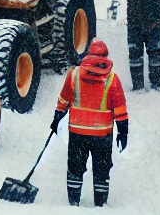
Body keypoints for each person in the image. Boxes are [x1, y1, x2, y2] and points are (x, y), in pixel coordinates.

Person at [51, 39, 128, 208]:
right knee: (101, 170)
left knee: (75, 168)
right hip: (102, 136)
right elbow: (120, 108)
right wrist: (123, 132)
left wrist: (57, 116)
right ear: (106, 57)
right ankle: (100, 204)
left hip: (78, 134)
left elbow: (63, 99)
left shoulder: (74, 74)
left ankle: (73, 203)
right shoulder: (113, 79)